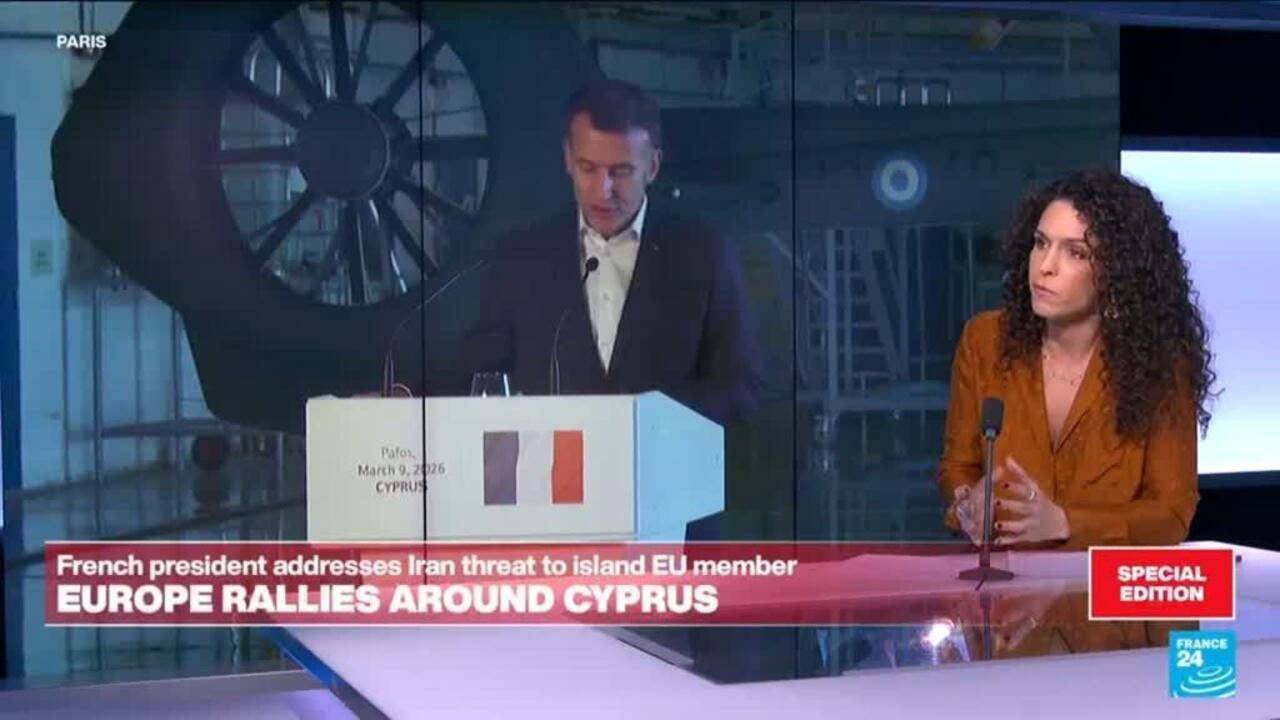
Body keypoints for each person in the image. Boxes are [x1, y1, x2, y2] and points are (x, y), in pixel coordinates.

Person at [939, 168, 1216, 550]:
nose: (1045, 266)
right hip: (1005, 579)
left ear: (1117, 273)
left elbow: (1171, 514)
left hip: (1103, 583)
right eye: (1041, 243)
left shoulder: (1161, 364)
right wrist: (968, 503)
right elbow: (958, 468)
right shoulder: (984, 341)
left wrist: (1066, 523)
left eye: (1075, 252)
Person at [462, 79, 764, 425]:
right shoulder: (519, 260)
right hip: (548, 458)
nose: (603, 190)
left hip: (663, 455)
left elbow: (742, 389)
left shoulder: (703, 255)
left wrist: (651, 418)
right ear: (568, 159)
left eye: (620, 172)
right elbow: (482, 379)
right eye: (588, 168)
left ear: (652, 167)